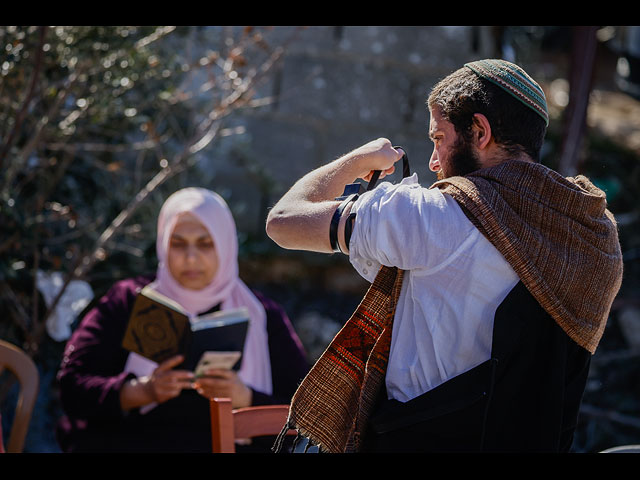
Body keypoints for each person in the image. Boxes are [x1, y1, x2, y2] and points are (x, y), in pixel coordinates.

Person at [265, 59, 624, 452]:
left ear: (480, 132)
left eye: (438, 138)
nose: (434, 163)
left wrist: (359, 160)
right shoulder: (593, 241)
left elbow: (283, 221)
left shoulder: (430, 218)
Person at [56, 187, 309, 453]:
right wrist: (142, 391)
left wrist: (244, 398)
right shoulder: (129, 301)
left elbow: (307, 416)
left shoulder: (262, 315)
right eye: (177, 243)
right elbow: (72, 386)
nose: (190, 258)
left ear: (225, 245)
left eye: (205, 244)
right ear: (163, 244)